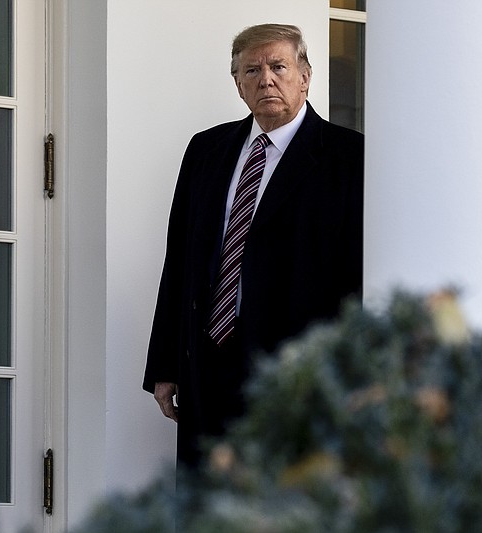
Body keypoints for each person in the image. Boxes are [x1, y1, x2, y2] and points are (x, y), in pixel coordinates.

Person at [143, 23, 364, 470]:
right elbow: (179, 262)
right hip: (207, 362)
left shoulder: (349, 158)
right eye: (252, 70)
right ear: (238, 84)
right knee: (206, 501)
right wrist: (164, 365)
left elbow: (357, 274)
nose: (266, 79)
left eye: (278, 66)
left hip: (296, 369)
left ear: (305, 75)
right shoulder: (206, 150)